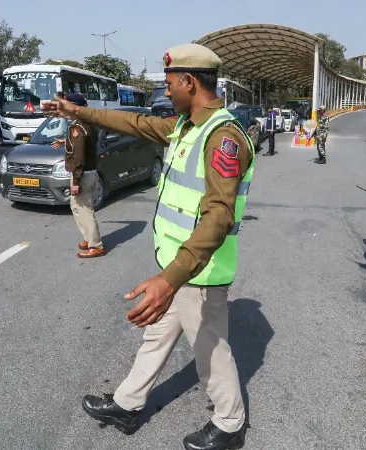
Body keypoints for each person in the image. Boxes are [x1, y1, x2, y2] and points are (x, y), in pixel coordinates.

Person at [43, 43, 254, 450]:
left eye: (169, 84)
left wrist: (169, 279)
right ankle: (128, 404)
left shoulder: (222, 136)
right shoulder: (185, 125)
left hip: (199, 270)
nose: (166, 91)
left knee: (210, 348)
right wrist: (77, 112)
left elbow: (218, 217)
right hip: (178, 266)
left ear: (189, 82)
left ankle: (230, 424)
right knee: (157, 336)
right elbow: (134, 123)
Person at [51, 93, 105, 258]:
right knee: (77, 207)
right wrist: (65, 142)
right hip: (88, 172)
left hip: (83, 175)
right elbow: (84, 145)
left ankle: (95, 245)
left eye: (66, 105)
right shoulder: (86, 122)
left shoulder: (77, 127)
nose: (64, 108)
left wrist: (76, 181)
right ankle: (89, 239)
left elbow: (78, 157)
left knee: (84, 210)